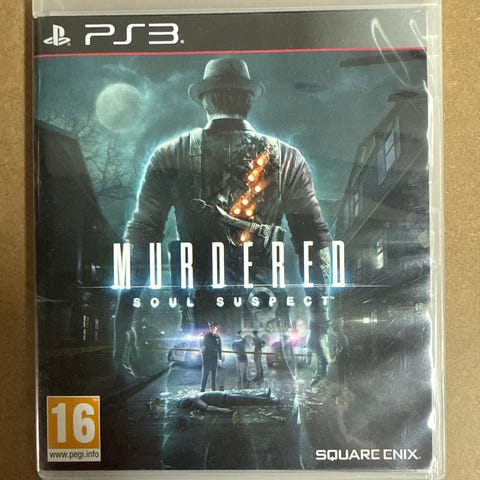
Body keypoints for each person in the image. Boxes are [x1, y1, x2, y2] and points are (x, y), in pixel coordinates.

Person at [113, 57, 333, 386]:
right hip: (264, 322)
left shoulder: (170, 154)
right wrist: (319, 324)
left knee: (191, 404)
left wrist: (124, 321)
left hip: (199, 324)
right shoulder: (288, 158)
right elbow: (314, 242)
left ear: (205, 101)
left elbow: (142, 238)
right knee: (274, 408)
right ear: (249, 100)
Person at [178, 388, 278, 413]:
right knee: (249, 399)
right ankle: (271, 402)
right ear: (189, 401)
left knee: (247, 396)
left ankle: (264, 395)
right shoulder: (197, 402)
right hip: (226, 399)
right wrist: (223, 410)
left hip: (226, 395)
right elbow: (208, 408)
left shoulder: (195, 398)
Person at [199, 321, 222, 392]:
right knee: (205, 374)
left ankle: (213, 389)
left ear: (216, 329)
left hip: (214, 358)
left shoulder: (217, 337)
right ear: (210, 328)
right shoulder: (206, 336)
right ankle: (202, 389)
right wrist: (203, 354)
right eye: (211, 327)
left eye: (214, 328)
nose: (213, 329)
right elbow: (201, 345)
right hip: (207, 357)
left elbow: (219, 348)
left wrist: (220, 358)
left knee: (214, 374)